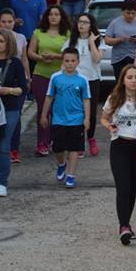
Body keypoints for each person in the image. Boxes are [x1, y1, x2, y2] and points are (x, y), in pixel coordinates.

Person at [102, 65, 136, 244]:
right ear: (123, 79)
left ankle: (127, 223)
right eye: (130, 77)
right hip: (120, 145)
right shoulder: (115, 98)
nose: (133, 80)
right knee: (123, 187)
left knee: (132, 189)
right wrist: (109, 126)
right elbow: (104, 117)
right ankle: (123, 225)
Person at [40, 47, 90, 189]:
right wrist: (44, 115)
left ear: (78, 62)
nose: (70, 63)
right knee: (58, 148)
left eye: (73, 61)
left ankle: (71, 175)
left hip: (77, 119)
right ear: (62, 61)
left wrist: (87, 118)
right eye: (67, 61)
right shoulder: (56, 78)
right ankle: (62, 164)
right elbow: (49, 96)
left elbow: (86, 99)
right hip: (59, 119)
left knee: (74, 148)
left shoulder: (82, 80)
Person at [0, 30, 28, 198]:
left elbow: (23, 89)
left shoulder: (15, 63)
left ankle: (2, 182)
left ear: (8, 43)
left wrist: (8, 90)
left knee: (3, 146)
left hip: (9, 108)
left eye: (1, 40)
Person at [27, 5, 70, 156]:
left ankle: (56, 140)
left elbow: (70, 54)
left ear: (61, 17)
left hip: (60, 76)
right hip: (41, 74)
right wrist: (41, 58)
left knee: (57, 109)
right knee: (43, 109)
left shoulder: (67, 34)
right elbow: (30, 53)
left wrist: (55, 56)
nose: (53, 17)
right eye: (51, 14)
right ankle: (42, 143)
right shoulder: (38, 32)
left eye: (56, 14)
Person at [66, 13, 103, 156]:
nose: (81, 25)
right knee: (78, 111)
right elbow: (65, 60)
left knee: (91, 112)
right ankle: (79, 143)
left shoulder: (98, 40)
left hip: (92, 80)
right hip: (75, 80)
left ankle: (91, 138)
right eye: (80, 22)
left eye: (85, 22)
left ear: (91, 25)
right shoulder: (71, 40)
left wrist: (92, 42)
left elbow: (97, 58)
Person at [104, 0, 136, 79]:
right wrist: (119, 39)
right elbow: (107, 40)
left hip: (135, 59)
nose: (130, 15)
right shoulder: (115, 23)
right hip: (119, 59)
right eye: (128, 13)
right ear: (123, 11)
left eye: (133, 13)